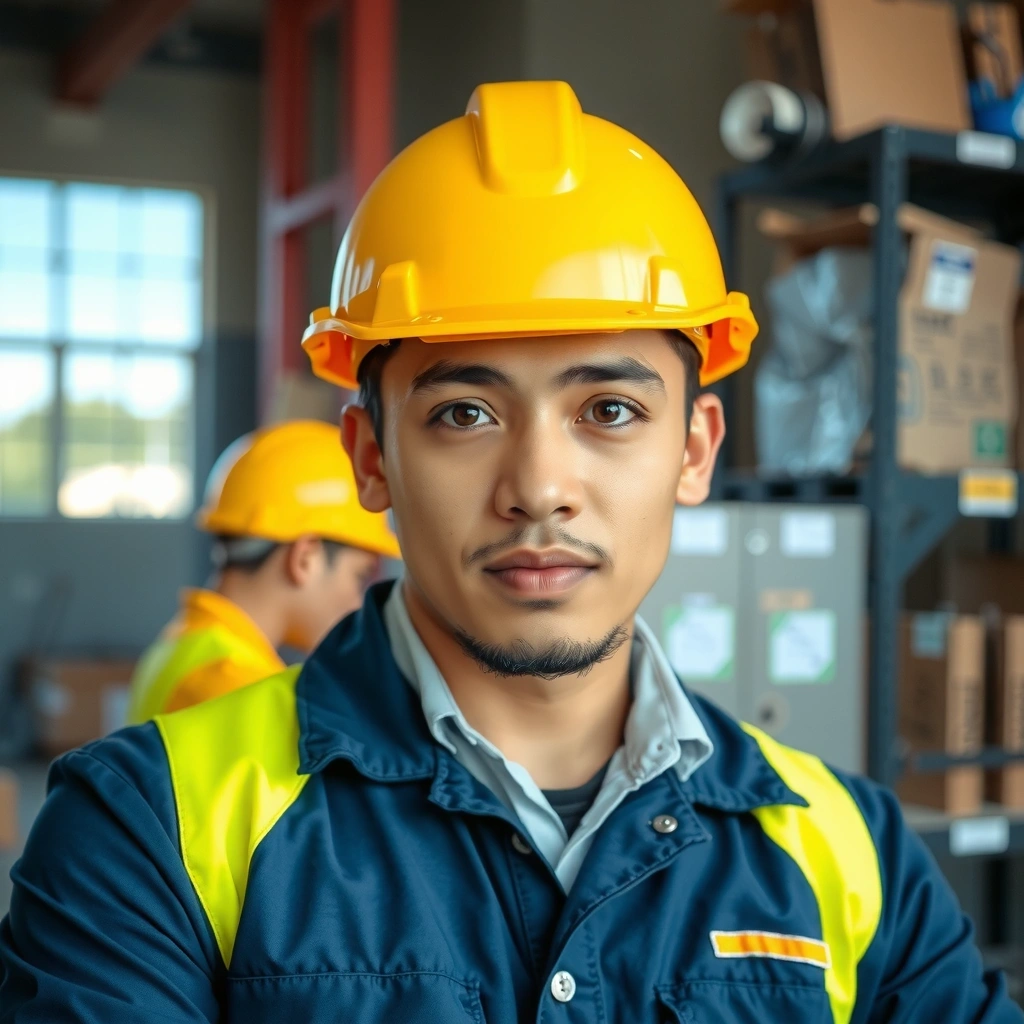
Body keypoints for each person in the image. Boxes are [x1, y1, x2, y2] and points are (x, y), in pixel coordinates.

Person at [1, 81, 1019, 1023]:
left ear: (695, 449)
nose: (538, 485)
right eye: (463, 413)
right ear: (371, 459)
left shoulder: (851, 852)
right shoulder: (145, 827)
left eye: (609, 408)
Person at [126, 418, 399, 721]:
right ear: (305, 559)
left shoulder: (182, 644)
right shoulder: (235, 686)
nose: (358, 603)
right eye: (359, 577)